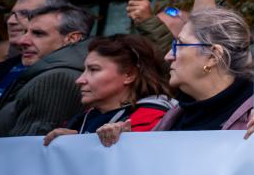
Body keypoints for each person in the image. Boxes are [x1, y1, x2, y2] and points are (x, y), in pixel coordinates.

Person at [139, 8, 254, 137]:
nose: (169, 56)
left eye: (180, 45)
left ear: (213, 56)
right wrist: (123, 143)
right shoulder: (175, 115)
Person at [43, 35, 175, 146]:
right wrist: (67, 145)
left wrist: (128, 141)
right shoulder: (85, 117)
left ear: (129, 75)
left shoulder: (152, 117)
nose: (80, 80)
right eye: (85, 70)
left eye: (93, 69)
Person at [0, 4, 93, 137]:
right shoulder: (48, 73)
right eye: (25, 32)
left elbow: (29, 149)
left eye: (38, 33)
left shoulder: (57, 79)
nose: (22, 41)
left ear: (72, 39)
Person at [0, 0, 69, 114]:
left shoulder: (61, 78)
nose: (11, 21)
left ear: (56, 18)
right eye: (11, 14)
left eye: (24, 14)